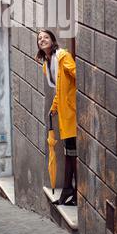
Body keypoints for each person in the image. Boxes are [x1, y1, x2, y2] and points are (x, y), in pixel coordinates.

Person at [36, 29, 77, 206]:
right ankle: (70, 190)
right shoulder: (47, 63)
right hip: (64, 114)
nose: (42, 40)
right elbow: (58, 89)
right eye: (39, 38)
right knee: (70, 152)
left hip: (72, 112)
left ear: (53, 40)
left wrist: (72, 100)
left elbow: (76, 76)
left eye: (46, 37)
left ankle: (71, 190)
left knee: (72, 152)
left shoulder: (62, 56)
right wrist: (53, 108)